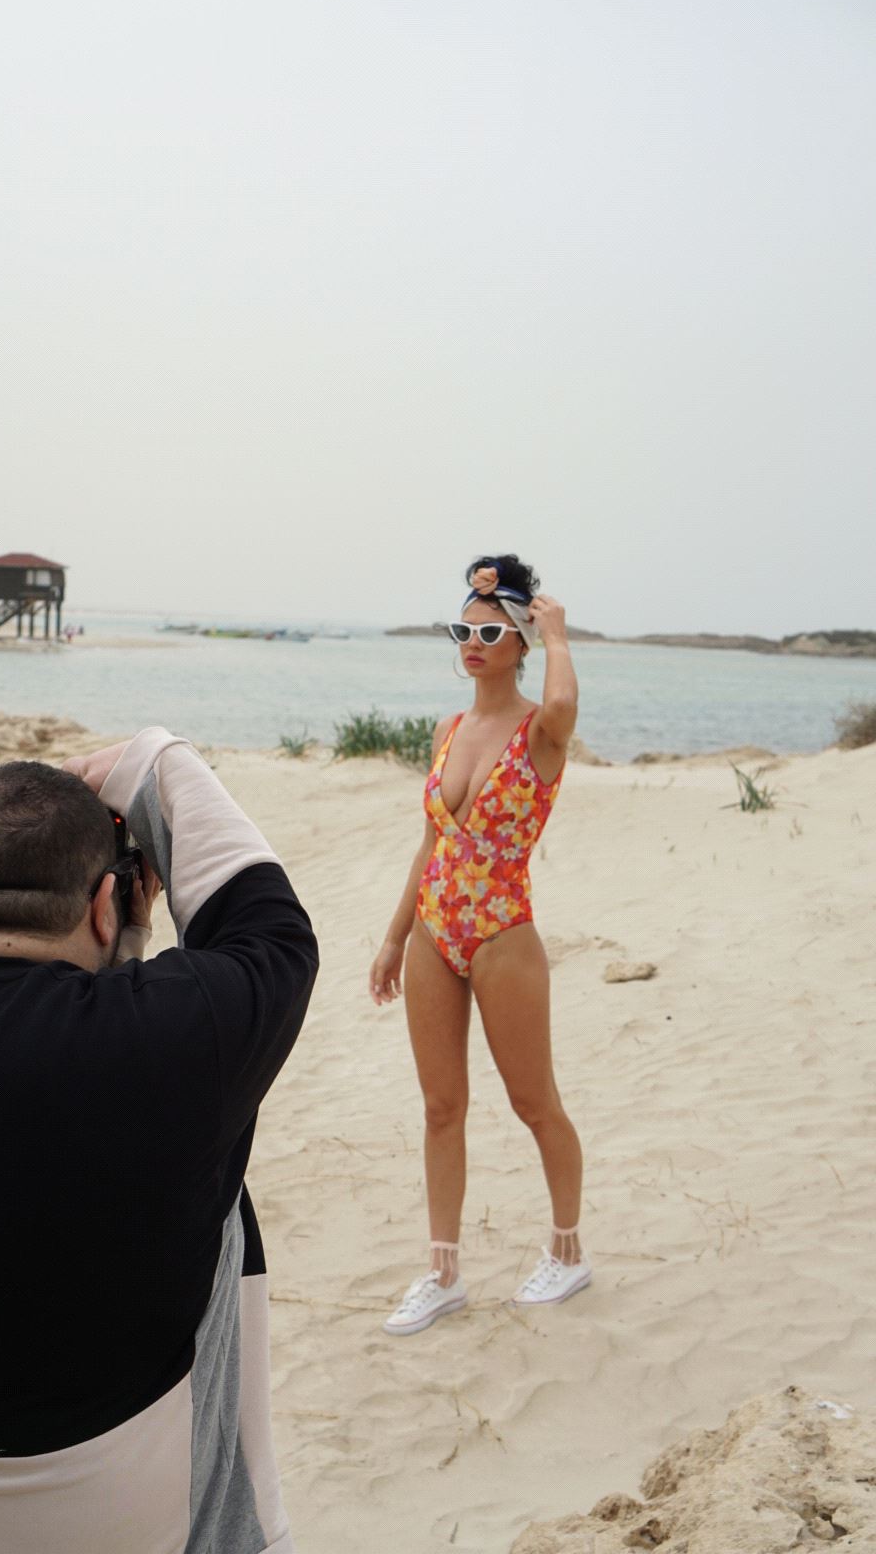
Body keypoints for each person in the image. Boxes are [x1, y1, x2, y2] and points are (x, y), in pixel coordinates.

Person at [0, 727, 318, 1553]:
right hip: (92, 1510)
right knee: (210, 1170)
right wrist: (158, 761)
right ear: (107, 905)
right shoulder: (153, 1048)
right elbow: (272, 934)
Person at [369, 555, 588, 1334]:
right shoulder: (449, 729)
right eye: (462, 630)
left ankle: (567, 1252)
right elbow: (432, 841)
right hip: (435, 930)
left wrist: (556, 634)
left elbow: (562, 697)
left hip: (503, 932)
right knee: (440, 1107)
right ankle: (442, 1274)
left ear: (521, 640)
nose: (472, 643)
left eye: (491, 633)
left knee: (534, 1102)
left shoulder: (543, 730)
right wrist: (394, 936)